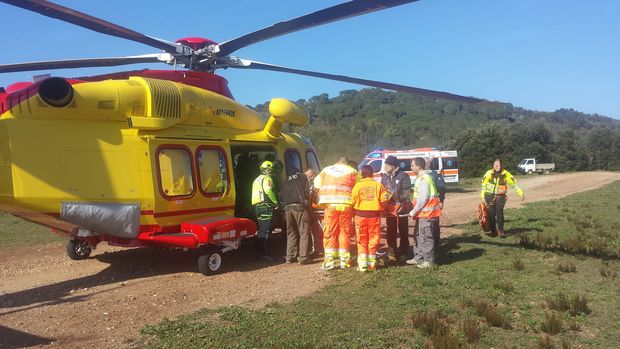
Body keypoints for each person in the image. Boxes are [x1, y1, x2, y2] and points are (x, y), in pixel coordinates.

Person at [314, 157, 357, 270]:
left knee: (329, 232)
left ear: (336, 162)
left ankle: (329, 262)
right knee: (344, 232)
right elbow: (358, 186)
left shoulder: (326, 170)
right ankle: (345, 261)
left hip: (330, 205)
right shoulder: (352, 171)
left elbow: (316, 184)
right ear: (346, 163)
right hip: (346, 205)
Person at [351, 165, 390, 271]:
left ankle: (363, 265)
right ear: (372, 174)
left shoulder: (357, 186)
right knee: (373, 239)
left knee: (361, 240)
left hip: (360, 216)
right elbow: (384, 200)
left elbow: (352, 201)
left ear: (361, 174)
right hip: (374, 216)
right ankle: (372, 265)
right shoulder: (379, 185)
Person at [406, 157, 442, 268]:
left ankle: (429, 261)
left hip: (427, 215)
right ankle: (419, 258)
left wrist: (412, 212)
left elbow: (422, 200)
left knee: (427, 237)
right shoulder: (421, 178)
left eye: (412, 165)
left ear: (418, 166)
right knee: (419, 236)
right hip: (422, 215)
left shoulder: (424, 180)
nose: (411, 168)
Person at [481, 159, 524, 238]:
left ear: (501, 165)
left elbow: (514, 184)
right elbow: (483, 186)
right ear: (493, 165)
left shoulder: (506, 174)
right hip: (489, 196)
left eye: (498, 165)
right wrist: (483, 197)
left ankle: (501, 231)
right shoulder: (488, 173)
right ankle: (493, 231)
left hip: (501, 197)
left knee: (499, 212)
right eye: (495, 165)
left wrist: (520, 193)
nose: (496, 166)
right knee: (491, 214)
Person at [381, 155, 412, 263]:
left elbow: (407, 192)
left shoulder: (403, 176)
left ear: (392, 165)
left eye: (386, 164)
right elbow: (383, 191)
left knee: (403, 229)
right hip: (389, 209)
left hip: (401, 208)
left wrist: (400, 202)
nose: (384, 166)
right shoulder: (384, 177)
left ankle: (403, 252)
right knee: (391, 230)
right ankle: (392, 252)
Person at [282, 167, 311, 264]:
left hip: (287, 208)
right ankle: (303, 257)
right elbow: (307, 192)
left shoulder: (286, 180)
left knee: (291, 232)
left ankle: (290, 257)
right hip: (299, 207)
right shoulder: (303, 177)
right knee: (303, 232)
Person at [251, 161, 279, 260]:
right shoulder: (267, 179)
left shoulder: (256, 179)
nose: (271, 172)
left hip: (257, 207)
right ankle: (263, 253)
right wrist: (275, 201)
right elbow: (268, 191)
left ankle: (256, 252)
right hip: (265, 205)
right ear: (267, 170)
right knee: (266, 230)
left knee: (261, 230)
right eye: (270, 170)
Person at [426, 159, 447, 248]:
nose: (426, 163)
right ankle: (427, 243)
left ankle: (436, 243)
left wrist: (441, 201)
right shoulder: (422, 175)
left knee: (434, 224)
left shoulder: (435, 175)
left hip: (433, 205)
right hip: (424, 206)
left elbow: (441, 189)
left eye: (427, 162)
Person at [304, 167, 323, 255]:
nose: (310, 178)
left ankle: (321, 248)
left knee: (320, 230)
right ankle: (316, 249)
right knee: (314, 231)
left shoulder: (316, 183)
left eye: (311, 176)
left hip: (317, 209)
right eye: (308, 176)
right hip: (312, 210)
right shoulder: (306, 184)